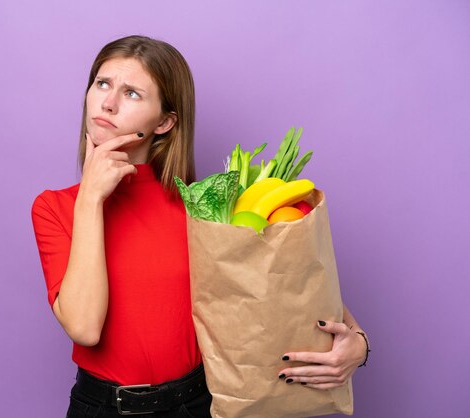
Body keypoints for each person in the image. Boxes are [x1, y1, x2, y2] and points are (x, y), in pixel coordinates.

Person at [31, 35, 370, 417]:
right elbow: (84, 328)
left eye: (132, 94)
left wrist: (358, 343)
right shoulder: (55, 208)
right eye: (102, 83)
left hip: (197, 405)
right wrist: (91, 198)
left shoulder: (202, 207)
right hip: (104, 408)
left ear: (165, 122)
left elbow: (289, 288)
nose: (108, 102)